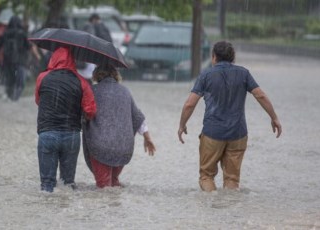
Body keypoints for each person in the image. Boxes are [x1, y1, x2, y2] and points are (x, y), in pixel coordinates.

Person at [178, 41, 282, 192]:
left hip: (212, 133)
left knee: (206, 176)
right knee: (232, 179)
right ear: (233, 58)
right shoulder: (243, 73)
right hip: (238, 134)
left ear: (214, 57)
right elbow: (260, 95)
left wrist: (182, 125)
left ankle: (210, 211)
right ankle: (231, 213)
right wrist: (274, 118)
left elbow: (189, 104)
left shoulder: (206, 75)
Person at [82, 64, 156, 188]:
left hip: (100, 147)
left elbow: (84, 114)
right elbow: (138, 117)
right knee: (114, 184)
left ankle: (103, 208)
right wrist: (147, 138)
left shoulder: (92, 90)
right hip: (122, 148)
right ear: (116, 75)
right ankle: (117, 207)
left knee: (103, 188)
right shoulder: (125, 91)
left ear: (96, 74)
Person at [35, 46, 96, 193]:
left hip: (47, 133)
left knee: (46, 186)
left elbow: (38, 101)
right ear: (72, 61)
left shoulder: (42, 77)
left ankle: (46, 213)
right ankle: (66, 214)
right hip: (71, 136)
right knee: (68, 185)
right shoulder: (81, 82)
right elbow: (90, 111)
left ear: (53, 59)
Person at [0, 16, 40, 101]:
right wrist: (37, 56)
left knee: (9, 79)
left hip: (7, 61)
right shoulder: (23, 33)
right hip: (21, 62)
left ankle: (9, 95)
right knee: (20, 81)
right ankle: (16, 97)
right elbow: (30, 47)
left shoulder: (5, 34)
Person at [79, 13, 113, 79]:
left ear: (93, 19)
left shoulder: (92, 26)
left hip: (95, 52)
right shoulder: (103, 27)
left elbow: (91, 39)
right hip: (103, 51)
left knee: (89, 72)